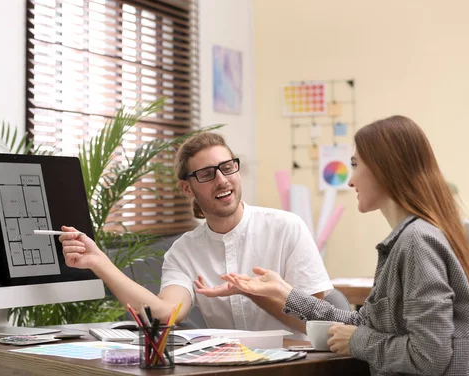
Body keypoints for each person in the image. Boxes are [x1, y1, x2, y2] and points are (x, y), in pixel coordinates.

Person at [220, 116, 469, 376]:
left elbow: (429, 356)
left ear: (384, 169)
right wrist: (287, 293)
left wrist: (358, 342)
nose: (350, 179)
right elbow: (366, 321)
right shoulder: (410, 239)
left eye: (355, 165)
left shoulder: (417, 242)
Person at [60, 132, 332, 339]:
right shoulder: (183, 252)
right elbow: (164, 315)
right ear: (187, 189)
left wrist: (254, 293)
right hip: (231, 367)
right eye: (206, 174)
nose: (222, 180)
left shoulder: (286, 227)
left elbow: (314, 323)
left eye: (227, 167)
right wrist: (100, 263)